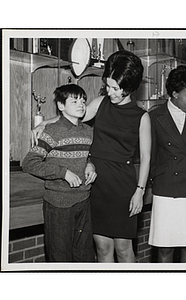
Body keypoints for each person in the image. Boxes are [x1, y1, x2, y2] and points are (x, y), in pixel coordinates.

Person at [31, 50, 151, 263]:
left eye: (116, 88)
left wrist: (140, 192)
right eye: (108, 86)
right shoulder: (100, 103)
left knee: (124, 248)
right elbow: (72, 116)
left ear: (129, 87)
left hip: (123, 185)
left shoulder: (142, 117)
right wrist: (45, 122)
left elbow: (146, 157)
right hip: (95, 182)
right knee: (103, 247)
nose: (110, 92)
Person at [23, 84, 97, 262]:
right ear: (61, 106)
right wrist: (62, 173)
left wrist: (91, 165)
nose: (81, 104)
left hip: (83, 201)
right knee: (60, 258)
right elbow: (29, 162)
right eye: (74, 101)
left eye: (83, 100)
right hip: (58, 205)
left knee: (85, 256)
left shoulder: (88, 131)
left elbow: (87, 156)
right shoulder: (52, 131)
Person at [148, 66, 186, 263]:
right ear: (174, 94)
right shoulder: (154, 116)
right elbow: (151, 155)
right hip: (166, 189)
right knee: (165, 249)